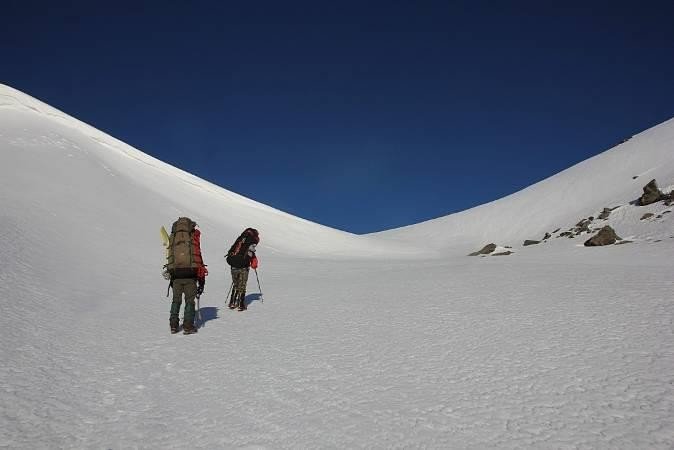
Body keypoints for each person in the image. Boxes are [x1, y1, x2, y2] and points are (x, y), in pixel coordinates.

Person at [164, 217, 207, 334]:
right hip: (190, 274)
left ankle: (173, 325)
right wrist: (201, 278)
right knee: (189, 301)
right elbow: (197, 254)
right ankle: (188, 326)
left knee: (176, 300)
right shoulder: (192, 235)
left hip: (176, 274)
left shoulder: (173, 235)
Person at [225, 228, 259, 311]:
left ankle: (232, 302)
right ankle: (241, 304)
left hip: (233, 264)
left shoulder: (240, 238)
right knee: (242, 285)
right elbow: (251, 253)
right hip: (244, 266)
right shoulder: (252, 241)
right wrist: (253, 262)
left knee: (236, 283)